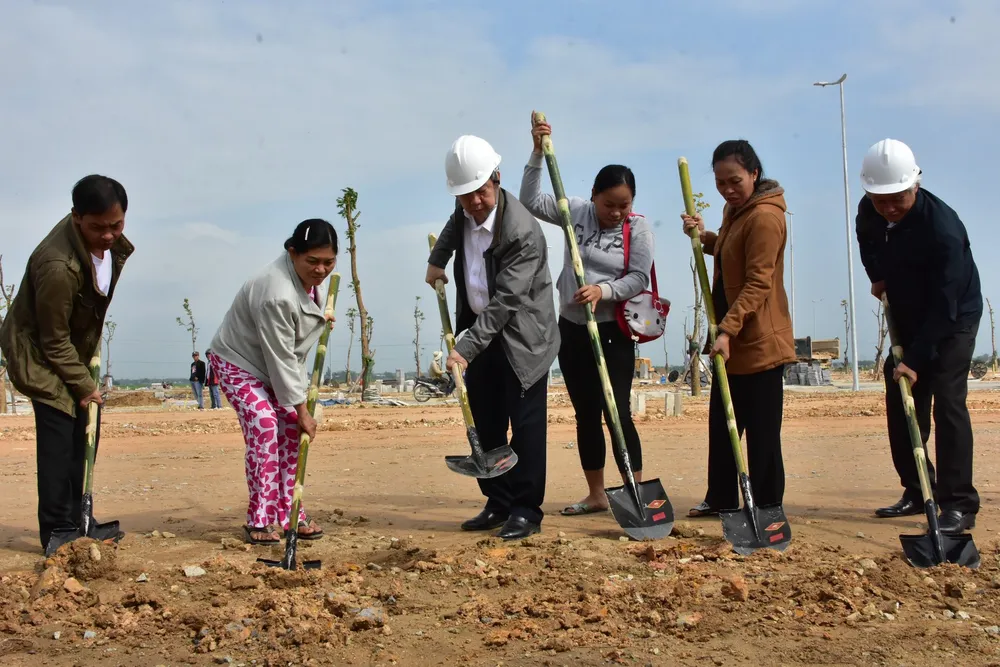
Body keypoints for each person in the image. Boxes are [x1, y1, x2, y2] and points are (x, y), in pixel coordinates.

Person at [426, 134, 559, 540]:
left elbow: (506, 302)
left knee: (526, 429)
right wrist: (437, 261)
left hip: (524, 338)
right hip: (481, 332)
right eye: (465, 196)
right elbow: (454, 227)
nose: (473, 203)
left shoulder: (523, 232)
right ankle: (497, 502)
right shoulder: (464, 205)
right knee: (484, 422)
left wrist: (463, 349)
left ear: (497, 179)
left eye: (480, 193)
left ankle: (525, 510)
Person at [519, 115, 653, 516]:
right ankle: (597, 494)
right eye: (609, 204)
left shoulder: (638, 229)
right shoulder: (574, 210)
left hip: (613, 331)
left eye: (623, 205)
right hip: (573, 330)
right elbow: (530, 199)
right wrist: (537, 153)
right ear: (593, 195)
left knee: (618, 413)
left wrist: (603, 291)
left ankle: (634, 491)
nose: (616, 212)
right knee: (586, 415)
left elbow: (639, 277)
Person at [0, 174, 134, 552]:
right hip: (39, 355)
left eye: (116, 225)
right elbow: (52, 340)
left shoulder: (102, 242)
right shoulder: (58, 265)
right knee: (60, 437)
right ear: (77, 217)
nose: (109, 236)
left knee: (85, 433)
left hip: (69, 350)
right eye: (98, 227)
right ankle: (58, 529)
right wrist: (85, 385)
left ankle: (80, 520)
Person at [855, 138, 982, 533]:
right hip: (907, 314)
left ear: (916, 185)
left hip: (953, 318)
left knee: (947, 402)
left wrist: (915, 359)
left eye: (898, 198)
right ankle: (917, 488)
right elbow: (866, 241)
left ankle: (958, 504)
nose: (889, 206)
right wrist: (877, 275)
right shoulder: (868, 210)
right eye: (881, 199)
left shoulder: (942, 228)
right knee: (901, 403)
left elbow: (946, 305)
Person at [680, 140, 795, 518]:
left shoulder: (764, 217)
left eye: (735, 181)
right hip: (729, 338)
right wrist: (705, 237)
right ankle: (722, 498)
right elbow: (731, 253)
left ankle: (766, 504)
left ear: (754, 174)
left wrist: (727, 331)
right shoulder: (737, 211)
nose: (727, 189)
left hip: (758, 342)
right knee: (724, 425)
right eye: (720, 182)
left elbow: (758, 282)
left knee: (761, 434)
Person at [208, 219, 337, 544]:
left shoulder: (309, 279)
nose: (321, 269)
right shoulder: (275, 292)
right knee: (266, 425)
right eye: (313, 262)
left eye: (328, 262)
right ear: (292, 253)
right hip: (239, 361)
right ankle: (261, 520)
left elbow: (294, 334)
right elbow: (282, 358)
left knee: (290, 430)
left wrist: (321, 319)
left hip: (274, 363)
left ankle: (290, 512)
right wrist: (302, 411)